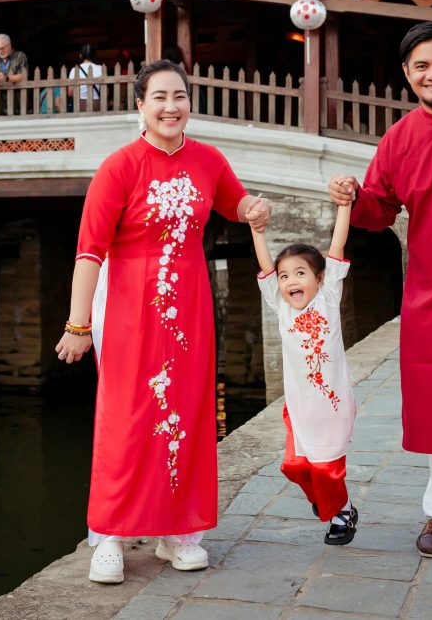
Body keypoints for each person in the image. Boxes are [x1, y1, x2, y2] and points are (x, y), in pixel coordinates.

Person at [55, 59, 271, 585]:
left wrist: (254, 207)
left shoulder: (208, 160)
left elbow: (234, 201)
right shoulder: (119, 167)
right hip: (129, 312)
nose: (171, 107)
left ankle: (178, 532)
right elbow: (89, 252)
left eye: (179, 96)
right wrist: (78, 325)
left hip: (190, 314)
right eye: (159, 97)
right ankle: (110, 536)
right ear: (140, 105)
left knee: (187, 416)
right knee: (127, 418)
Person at [329, 21, 432, 596]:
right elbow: (380, 209)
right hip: (431, 300)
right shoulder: (398, 139)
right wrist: (354, 198)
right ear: (407, 74)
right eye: (421, 66)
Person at [251, 185, 358, 545]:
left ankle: (341, 514)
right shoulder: (281, 308)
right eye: (285, 276)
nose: (290, 281)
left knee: (327, 469)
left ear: (319, 278)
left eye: (300, 273)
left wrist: (344, 206)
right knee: (294, 465)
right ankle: (332, 503)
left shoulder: (328, 297)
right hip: (298, 408)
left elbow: (337, 246)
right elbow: (266, 267)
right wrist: (257, 231)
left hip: (331, 407)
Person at [68, 44, 101, 111]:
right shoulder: (100, 69)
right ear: (94, 56)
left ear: (80, 55)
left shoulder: (74, 70)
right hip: (96, 104)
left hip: (80, 104)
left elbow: (70, 92)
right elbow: (105, 92)